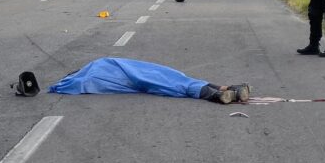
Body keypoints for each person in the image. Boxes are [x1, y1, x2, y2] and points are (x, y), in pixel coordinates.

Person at [48, 57, 250, 104]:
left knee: (171, 83)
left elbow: (75, 84)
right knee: (174, 79)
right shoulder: (95, 66)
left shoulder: (91, 71)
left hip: (134, 74)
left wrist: (57, 86)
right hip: (136, 72)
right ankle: (224, 90)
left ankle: (222, 92)